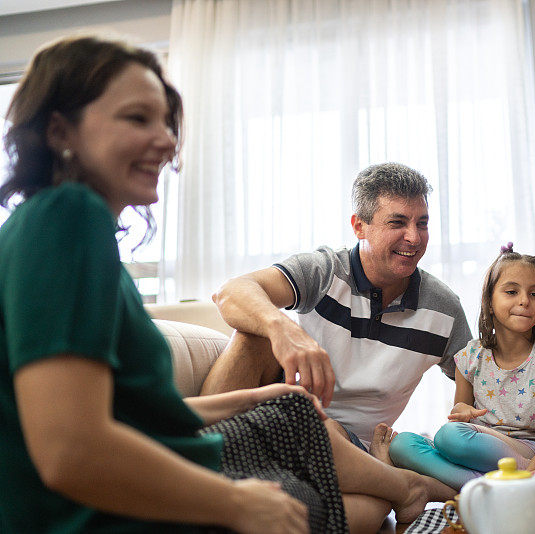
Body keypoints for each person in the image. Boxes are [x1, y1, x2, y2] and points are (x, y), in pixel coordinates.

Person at [0, 34, 454, 534]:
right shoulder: (68, 219)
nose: (168, 141)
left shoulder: (64, 228)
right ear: (62, 129)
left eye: (165, 122)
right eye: (137, 118)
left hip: (177, 455)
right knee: (341, 505)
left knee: (332, 473)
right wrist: (234, 504)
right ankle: (408, 490)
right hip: (97, 513)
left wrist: (247, 400)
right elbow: (70, 452)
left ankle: (406, 489)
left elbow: (125, 411)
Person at [201, 162, 473, 450]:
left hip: (353, 448)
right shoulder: (324, 271)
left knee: (334, 440)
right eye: (397, 223)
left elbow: (482, 377)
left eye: (422, 223)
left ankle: (404, 485)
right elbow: (230, 293)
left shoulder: (444, 308)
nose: (414, 238)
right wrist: (281, 328)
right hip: (284, 414)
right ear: (359, 227)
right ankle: (198, 454)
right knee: (252, 335)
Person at [382, 245, 535, 490]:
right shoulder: (470, 358)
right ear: (490, 301)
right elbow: (459, 417)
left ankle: (516, 481)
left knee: (449, 437)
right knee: (402, 445)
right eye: (512, 292)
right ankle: (500, 486)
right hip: (478, 443)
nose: (524, 301)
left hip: (526, 450)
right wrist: (461, 411)